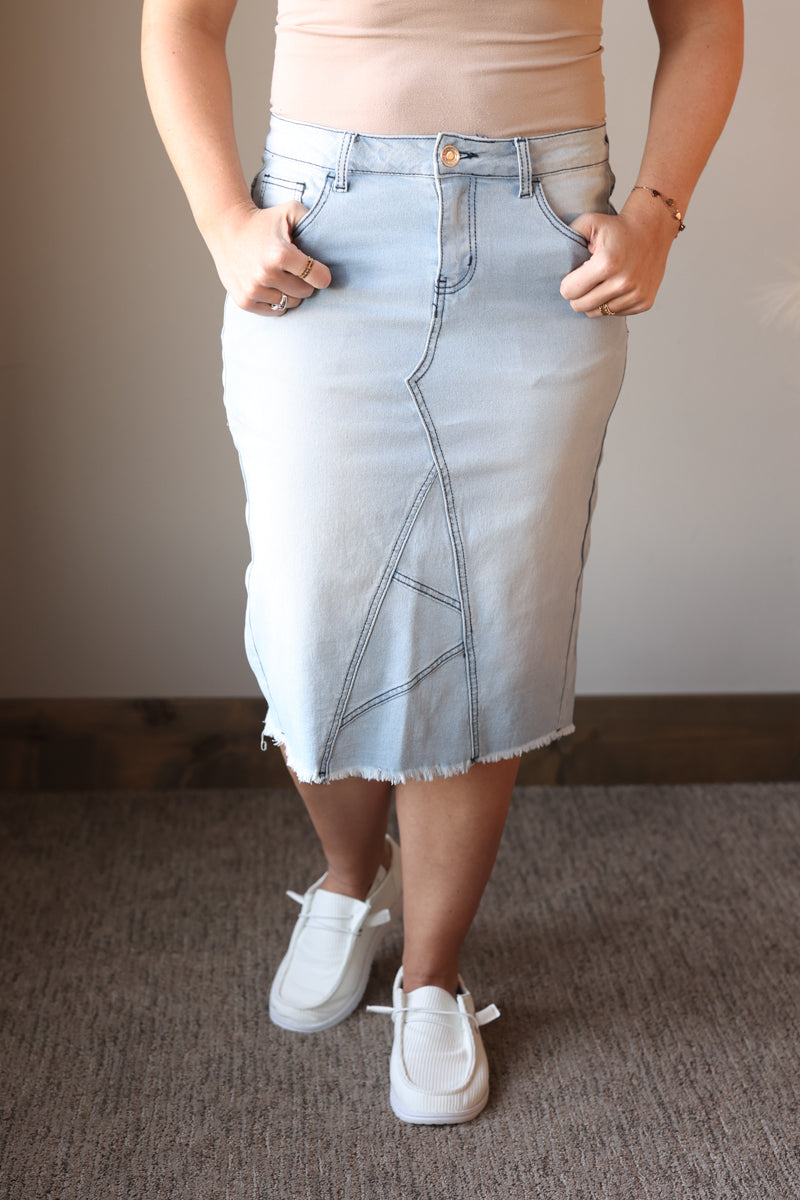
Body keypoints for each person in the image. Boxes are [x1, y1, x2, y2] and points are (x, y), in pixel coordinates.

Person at [141, 0, 743, 1124]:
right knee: (312, 618)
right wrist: (225, 218)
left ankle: (430, 976)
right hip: (325, 231)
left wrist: (655, 216)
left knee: (491, 621)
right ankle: (346, 882)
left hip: (541, 236)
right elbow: (178, 20)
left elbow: (706, 18)